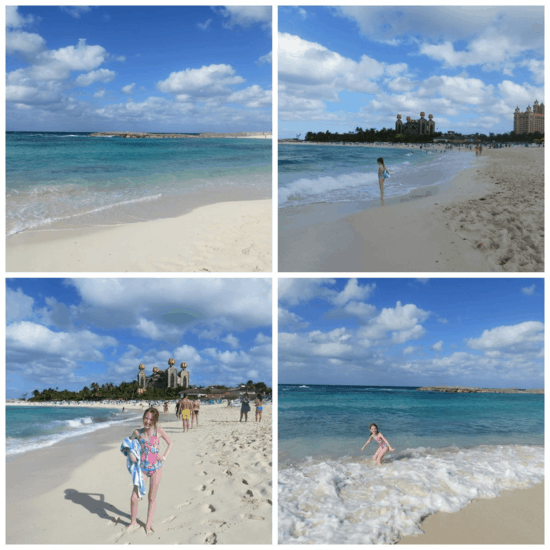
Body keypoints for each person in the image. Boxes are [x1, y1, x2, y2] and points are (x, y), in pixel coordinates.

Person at [126, 408, 172, 535]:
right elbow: (128, 444)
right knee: (134, 497)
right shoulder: (138, 432)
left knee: (152, 498)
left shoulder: (158, 432)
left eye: (151, 419)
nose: (147, 421)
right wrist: (131, 454)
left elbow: (170, 443)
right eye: (146, 418)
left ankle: (147, 525)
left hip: (156, 469)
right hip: (143, 469)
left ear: (155, 420)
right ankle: (133, 522)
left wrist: (164, 456)